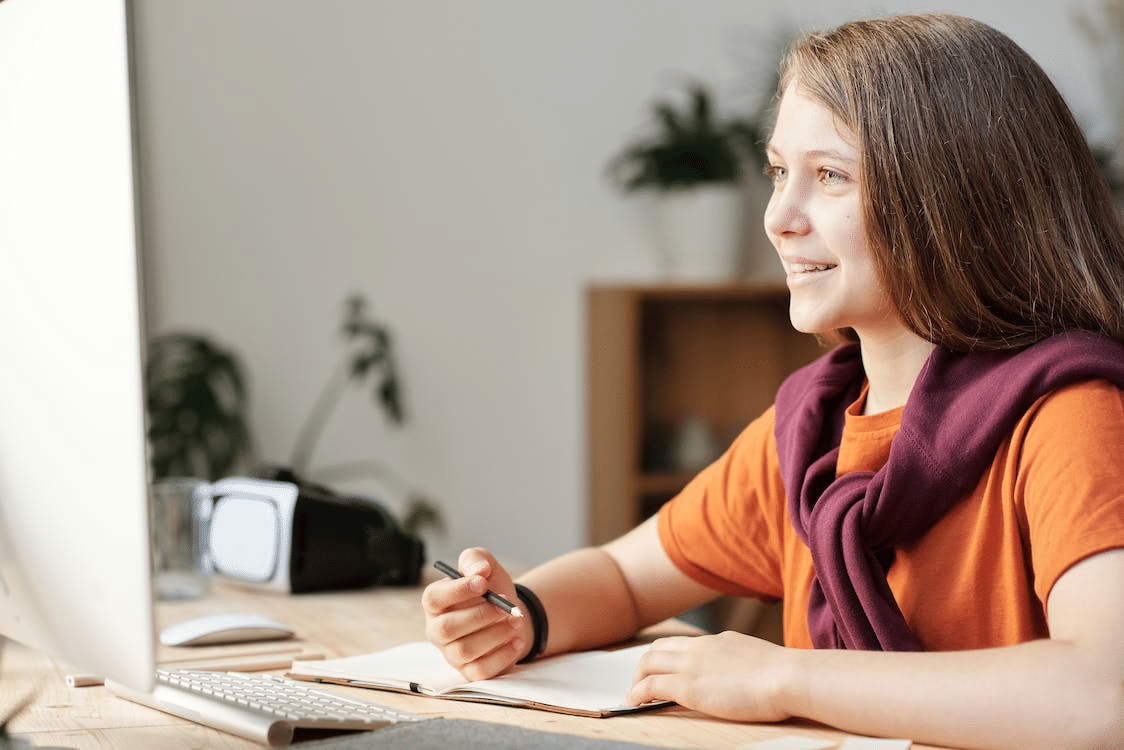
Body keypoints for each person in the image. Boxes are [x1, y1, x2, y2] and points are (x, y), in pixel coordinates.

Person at [422, 13, 1124, 750]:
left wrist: (781, 679)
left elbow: (1104, 695)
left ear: (954, 198)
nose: (779, 218)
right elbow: (624, 579)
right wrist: (519, 616)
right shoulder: (810, 434)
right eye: (779, 172)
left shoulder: (1074, 418)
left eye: (830, 176)